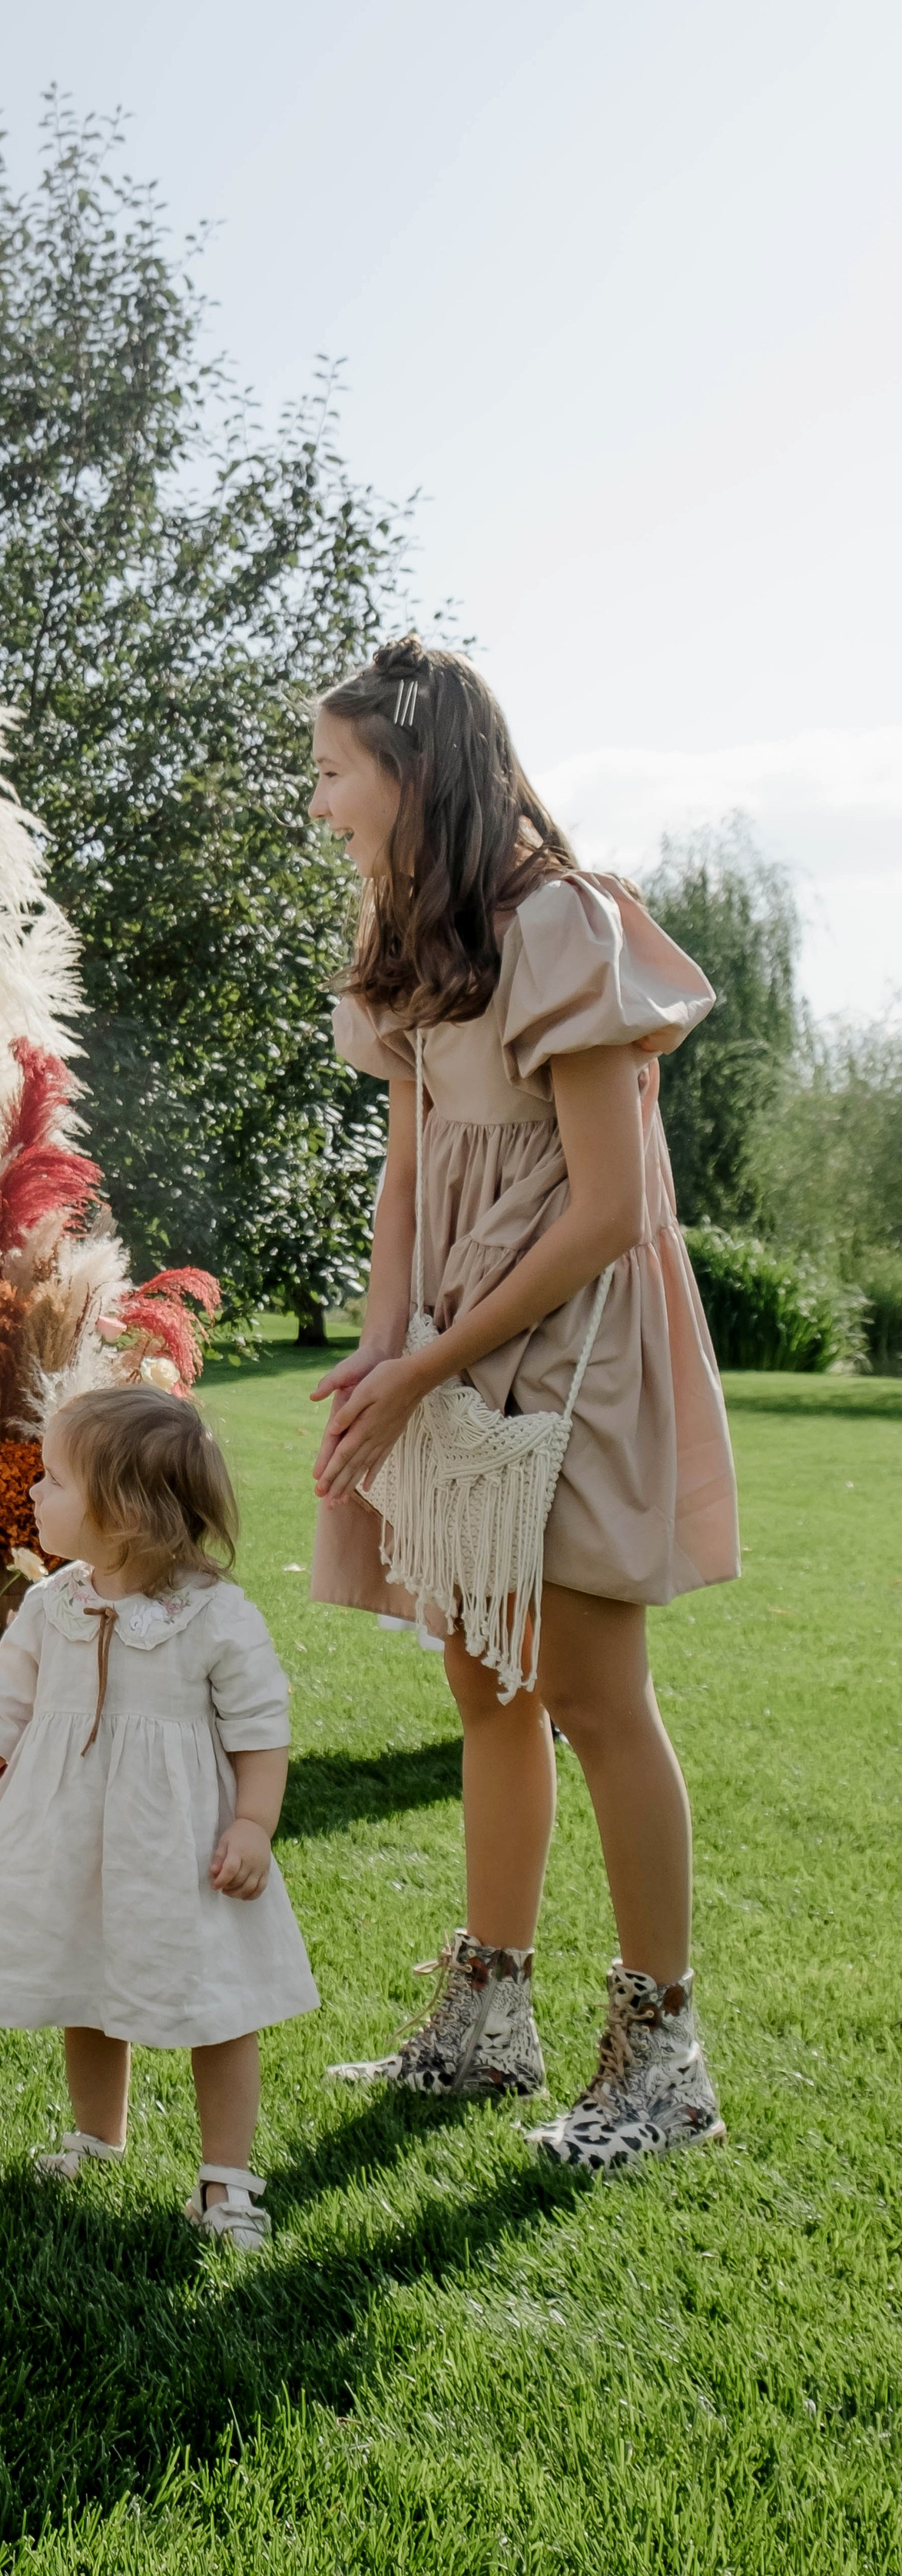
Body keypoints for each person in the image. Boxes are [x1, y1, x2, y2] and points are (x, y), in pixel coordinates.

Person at [307, 634, 738, 2170]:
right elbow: (407, 1183)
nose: (319, 805)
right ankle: (486, 2017)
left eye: (333, 772)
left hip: (564, 1337)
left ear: (412, 774)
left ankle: (660, 2058)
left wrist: (427, 1358)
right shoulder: (406, 946)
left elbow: (606, 1210)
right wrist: (381, 1353)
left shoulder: (560, 924)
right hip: (449, 1338)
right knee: (482, 1680)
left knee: (590, 1695)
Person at [0, 1387, 319, 2253]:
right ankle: (97, 2135)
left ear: (125, 1513)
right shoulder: (53, 1602)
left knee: (211, 1999)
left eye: (55, 1479)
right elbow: (10, 1703)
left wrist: (253, 1824)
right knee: (84, 1973)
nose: (33, 1491)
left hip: (179, 1847)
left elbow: (261, 1732)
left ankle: (227, 2178)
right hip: (73, 1832)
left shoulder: (215, 1616)